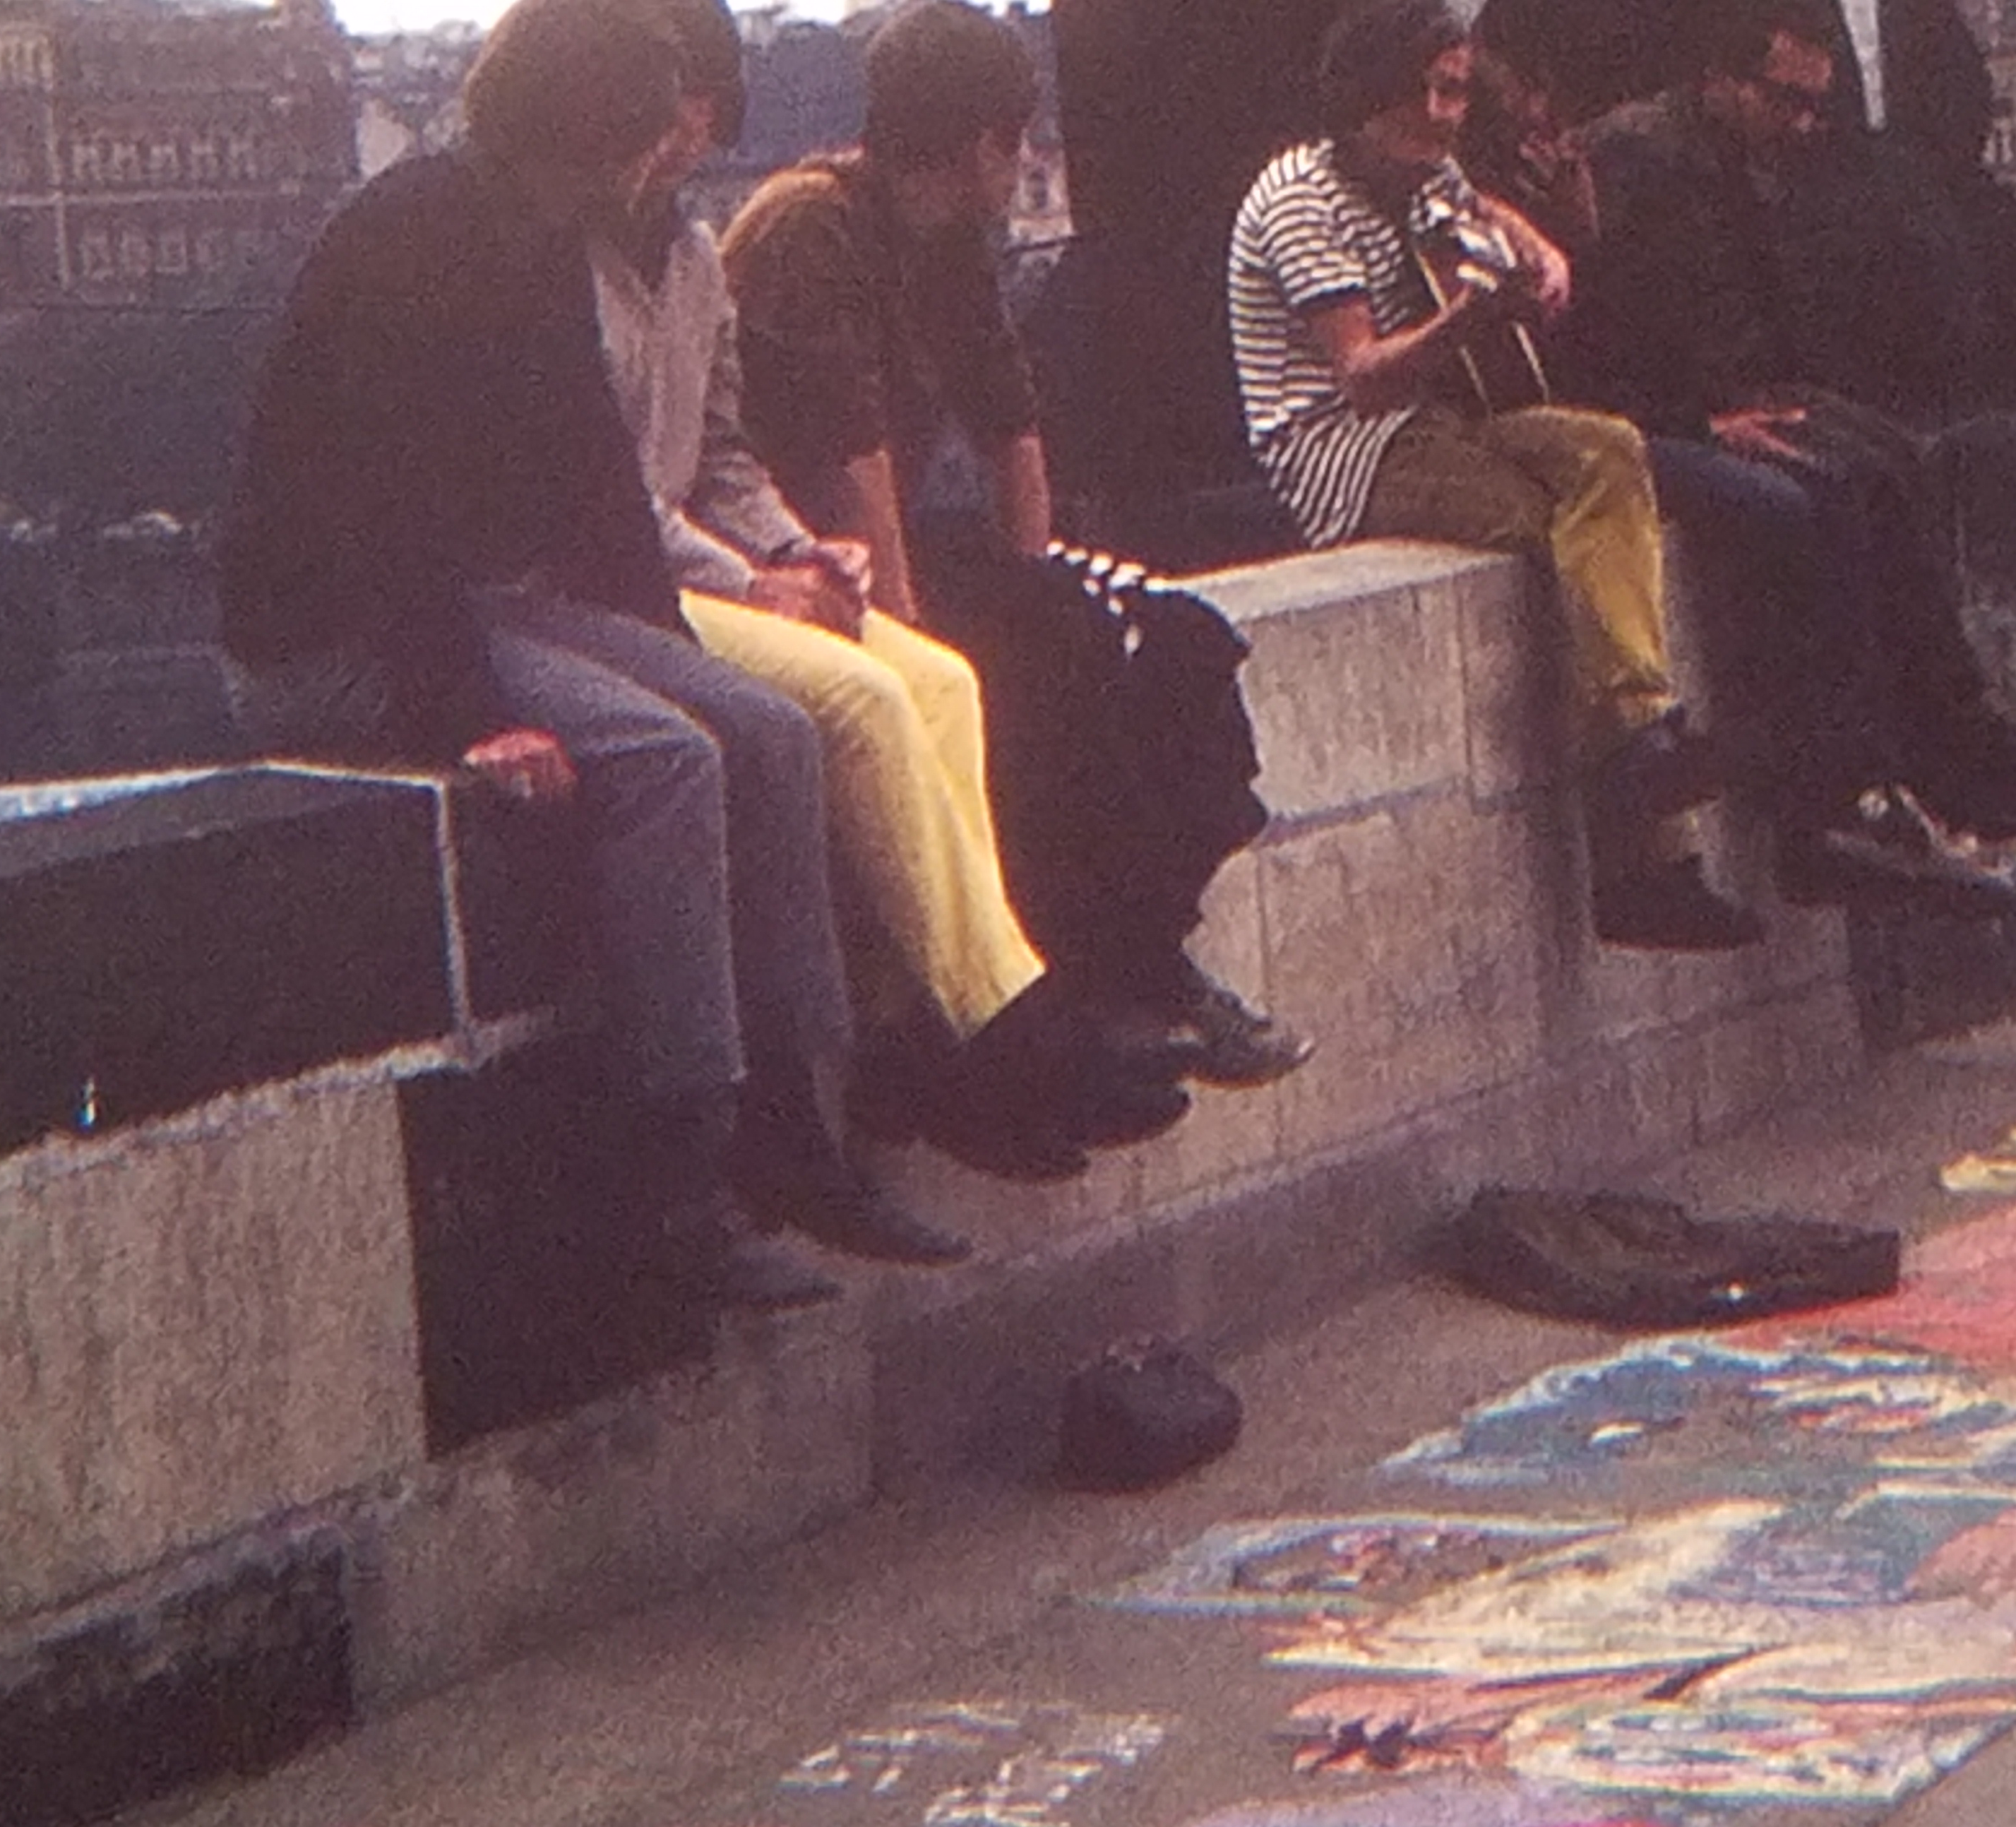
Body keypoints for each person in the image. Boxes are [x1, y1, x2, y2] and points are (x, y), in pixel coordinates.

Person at [217, 0, 965, 1307]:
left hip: (486, 599)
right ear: (573, 139)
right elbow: (380, 516)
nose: (645, 173)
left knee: (768, 728)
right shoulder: (401, 241)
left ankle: (802, 1130)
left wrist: (671, 644)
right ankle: (680, 1177)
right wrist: (463, 714)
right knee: (666, 759)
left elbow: (596, 497)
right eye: (629, 146)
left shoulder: (539, 240)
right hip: (345, 634)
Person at [584, 0, 1187, 1182]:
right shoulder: (781, 232)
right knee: (875, 697)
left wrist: (810, 557)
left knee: (980, 673)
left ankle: (1065, 985)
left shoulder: (693, 250)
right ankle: (997, 1039)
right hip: (655, 577)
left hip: (763, 552)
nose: (685, 145)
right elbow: (641, 494)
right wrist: (780, 572)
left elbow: (723, 457)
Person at [722, 0, 1308, 1082]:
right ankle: (1096, 975)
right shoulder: (815, 229)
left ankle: (1143, 953)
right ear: (986, 140)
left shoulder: (950, 239)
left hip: (898, 537)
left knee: (1172, 638)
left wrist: (1037, 575)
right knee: (1031, 668)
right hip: (803, 556)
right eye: (1020, 137)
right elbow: (856, 455)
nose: (1030, 159)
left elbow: (1009, 418)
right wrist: (912, 620)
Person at [1551, 0, 2016, 890]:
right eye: (1786, 100)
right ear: (1720, 80)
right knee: (1813, 498)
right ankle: (1839, 798)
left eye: (1815, 106)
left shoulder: (1744, 155)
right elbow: (1596, 327)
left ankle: (1962, 748)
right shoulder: (1635, 158)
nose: (1805, 124)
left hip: (1730, 399)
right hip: (1650, 419)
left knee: (1887, 464)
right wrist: (1696, 424)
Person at [1225, 0, 1760, 952]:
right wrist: (1467, 323)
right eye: (1430, 92)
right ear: (1370, 94)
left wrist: (1542, 251)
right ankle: (1646, 831)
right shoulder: (1300, 198)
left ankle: (1644, 737)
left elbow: (1480, 206)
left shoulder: (1423, 174)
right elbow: (1359, 376)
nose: (1445, 115)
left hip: (1447, 417)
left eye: (1457, 92)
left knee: (1607, 451)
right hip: (1350, 454)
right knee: (1563, 536)